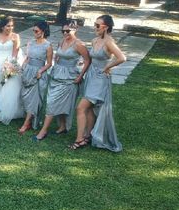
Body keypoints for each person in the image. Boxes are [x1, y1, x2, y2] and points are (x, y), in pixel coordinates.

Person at [70, 15, 126, 151]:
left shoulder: (109, 42)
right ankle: (87, 136)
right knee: (88, 109)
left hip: (100, 79)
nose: (95, 28)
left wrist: (107, 67)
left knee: (81, 108)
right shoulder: (95, 40)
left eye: (97, 25)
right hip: (91, 76)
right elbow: (92, 57)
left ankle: (79, 139)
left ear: (106, 27)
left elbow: (122, 57)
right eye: (94, 24)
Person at [33, 22, 90, 141]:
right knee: (59, 102)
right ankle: (63, 126)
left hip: (69, 78)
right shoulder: (61, 41)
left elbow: (87, 61)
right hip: (56, 74)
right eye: (63, 31)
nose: (65, 33)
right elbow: (57, 56)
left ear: (75, 30)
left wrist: (80, 76)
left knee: (52, 102)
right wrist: (56, 62)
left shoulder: (79, 44)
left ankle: (43, 131)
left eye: (68, 31)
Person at [18, 20, 53, 134]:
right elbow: (28, 57)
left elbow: (49, 63)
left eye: (36, 31)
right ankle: (28, 117)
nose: (34, 33)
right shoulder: (31, 42)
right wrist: (22, 67)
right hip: (28, 71)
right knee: (25, 96)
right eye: (33, 30)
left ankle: (26, 123)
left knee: (34, 99)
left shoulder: (48, 46)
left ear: (43, 31)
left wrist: (41, 71)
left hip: (38, 73)